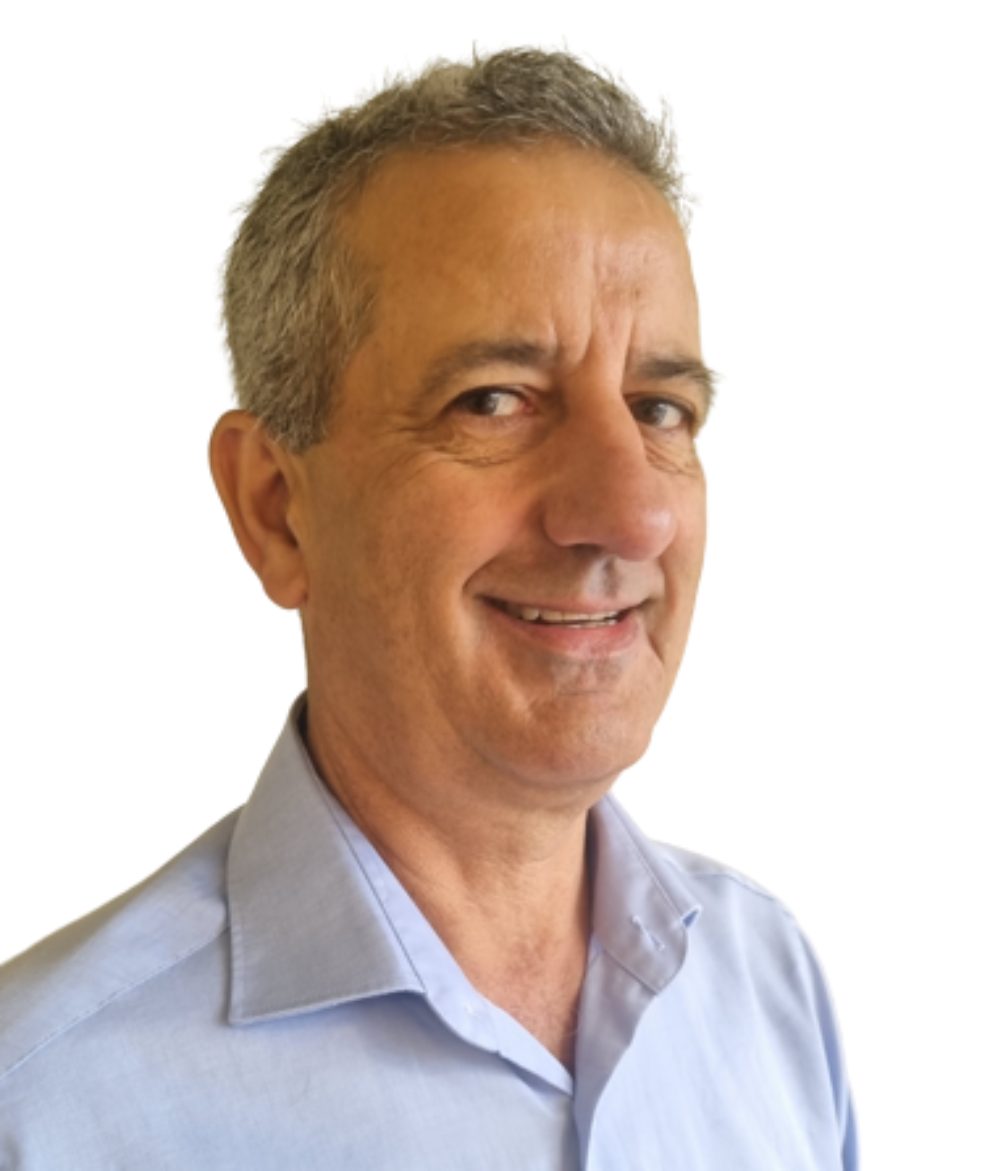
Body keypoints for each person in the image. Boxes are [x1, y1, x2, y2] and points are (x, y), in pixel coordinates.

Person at [0, 48, 857, 1169]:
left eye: (660, 407)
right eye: (494, 400)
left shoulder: (769, 989)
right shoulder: (48, 1103)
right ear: (278, 509)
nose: (630, 514)